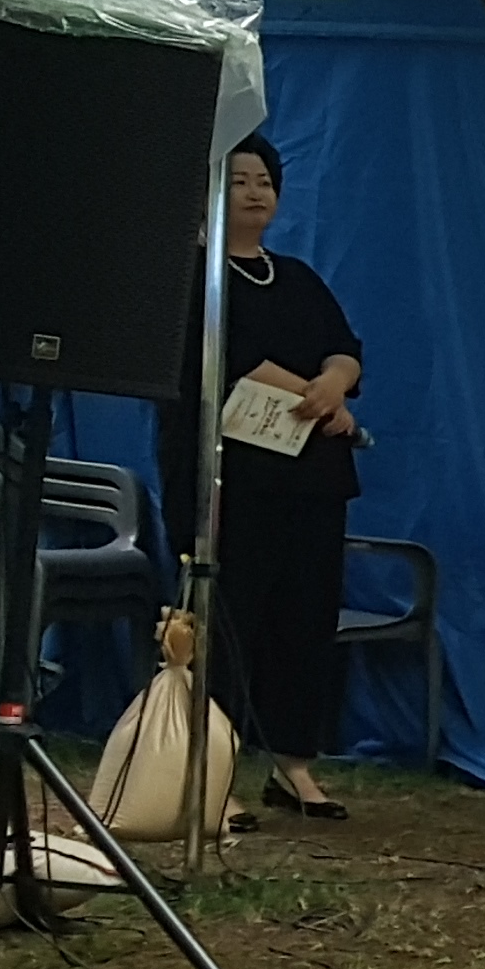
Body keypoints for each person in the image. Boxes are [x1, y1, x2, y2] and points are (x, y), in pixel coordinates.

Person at [165, 134, 363, 818]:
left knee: (305, 620)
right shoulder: (193, 275)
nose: (255, 192)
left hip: (311, 477)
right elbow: (227, 356)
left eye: (265, 181)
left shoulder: (297, 276)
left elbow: (344, 347)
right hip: (232, 479)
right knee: (229, 621)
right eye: (240, 179)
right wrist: (317, 397)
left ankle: (292, 766)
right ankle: (210, 775)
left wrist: (335, 383)